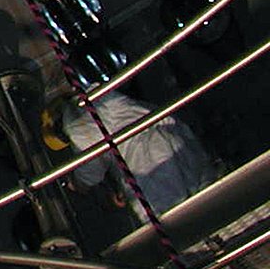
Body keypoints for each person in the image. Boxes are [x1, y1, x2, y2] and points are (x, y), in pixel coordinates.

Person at [45, 89, 219, 221]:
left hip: (150, 168)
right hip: (175, 142)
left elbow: (90, 173)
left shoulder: (78, 130)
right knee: (214, 198)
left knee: (177, 223)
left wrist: (75, 184)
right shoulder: (105, 96)